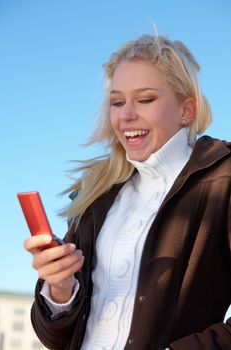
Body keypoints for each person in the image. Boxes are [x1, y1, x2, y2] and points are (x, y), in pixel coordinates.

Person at [24, 33, 231, 350]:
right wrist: (60, 288)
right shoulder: (97, 194)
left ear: (187, 110)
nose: (125, 115)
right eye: (117, 102)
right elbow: (56, 338)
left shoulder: (224, 178)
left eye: (145, 99)